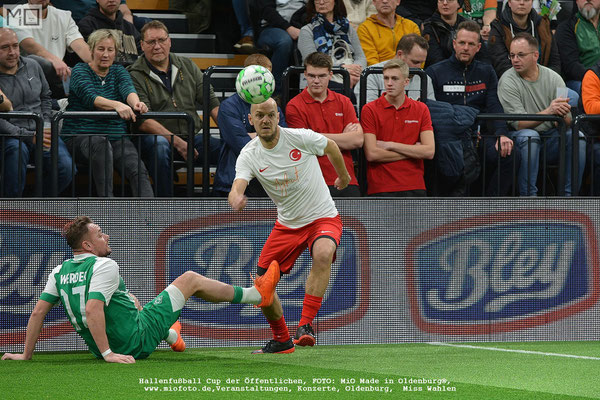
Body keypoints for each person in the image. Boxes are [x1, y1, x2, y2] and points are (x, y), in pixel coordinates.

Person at [0, 216, 280, 362]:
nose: (106, 236)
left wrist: (26, 355)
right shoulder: (104, 265)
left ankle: (170, 334)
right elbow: (92, 308)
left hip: (99, 348)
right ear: (87, 246)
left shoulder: (59, 271)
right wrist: (110, 355)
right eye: (99, 234)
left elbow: (37, 313)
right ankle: (256, 295)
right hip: (133, 343)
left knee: (128, 298)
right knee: (190, 279)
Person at [229, 97, 351, 353]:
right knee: (262, 287)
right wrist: (236, 197)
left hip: (322, 217)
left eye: (270, 114)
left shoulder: (299, 137)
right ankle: (282, 339)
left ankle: (305, 326)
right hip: (287, 226)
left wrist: (343, 175)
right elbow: (237, 185)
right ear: (250, 120)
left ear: (278, 116)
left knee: (323, 253)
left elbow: (330, 146)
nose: (265, 120)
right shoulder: (249, 154)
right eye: (259, 115)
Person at [128, 20, 221, 197]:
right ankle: (166, 203)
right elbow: (144, 121)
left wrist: (232, 133)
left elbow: (212, 102)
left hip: (191, 135)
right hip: (154, 138)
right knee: (160, 147)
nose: (157, 46)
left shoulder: (187, 65)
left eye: (162, 40)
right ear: (141, 45)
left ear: (169, 41)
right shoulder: (134, 74)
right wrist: (178, 143)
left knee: (227, 148)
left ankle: (220, 199)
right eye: (151, 42)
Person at [426, 20, 520, 196]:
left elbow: (493, 104)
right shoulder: (435, 72)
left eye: (471, 44)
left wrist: (502, 134)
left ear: (478, 47)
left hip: (479, 136)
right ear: (454, 44)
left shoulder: (486, 71)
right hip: (448, 138)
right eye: (462, 43)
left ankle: (490, 206)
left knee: (510, 153)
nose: (465, 48)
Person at [61, 29, 153, 197]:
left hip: (115, 137)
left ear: (115, 52)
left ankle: (149, 218)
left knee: (137, 169)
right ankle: (107, 208)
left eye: (110, 50)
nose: (105, 54)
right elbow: (91, 98)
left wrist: (136, 103)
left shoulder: (119, 71)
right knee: (100, 145)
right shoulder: (80, 71)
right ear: (91, 50)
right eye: (100, 49)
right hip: (80, 137)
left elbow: (128, 90)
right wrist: (117, 105)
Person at [498, 33, 585, 196]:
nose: (515, 60)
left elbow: (567, 122)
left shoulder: (554, 78)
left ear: (535, 55)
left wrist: (562, 116)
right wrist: (550, 112)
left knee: (577, 136)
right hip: (519, 139)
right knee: (530, 136)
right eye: (512, 55)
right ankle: (529, 197)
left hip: (550, 137)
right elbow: (518, 123)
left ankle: (570, 198)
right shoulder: (507, 80)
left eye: (521, 55)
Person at [0, 27, 73, 197]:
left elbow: (46, 98)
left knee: (65, 168)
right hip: (9, 136)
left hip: (41, 131)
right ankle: (10, 210)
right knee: (16, 153)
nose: (12, 52)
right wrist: (26, 135)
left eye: (15, 46)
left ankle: (37, 206)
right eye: (4, 48)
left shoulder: (33, 65)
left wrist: (45, 125)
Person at [286, 52, 363, 196]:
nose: (316, 81)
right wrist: (343, 137)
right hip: (311, 182)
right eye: (311, 76)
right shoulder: (294, 106)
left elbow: (357, 140)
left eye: (321, 76)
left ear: (330, 75)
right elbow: (302, 144)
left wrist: (313, 136)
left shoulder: (344, 101)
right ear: (305, 75)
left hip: (347, 181)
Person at [214, 53, 286, 197]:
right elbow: (242, 145)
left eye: (266, 78)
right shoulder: (228, 107)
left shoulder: (274, 107)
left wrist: (253, 135)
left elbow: (283, 141)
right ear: (245, 76)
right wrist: (266, 135)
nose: (263, 84)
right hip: (232, 182)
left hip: (269, 184)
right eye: (258, 79)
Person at [361, 59, 434, 196]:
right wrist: (414, 151)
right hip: (381, 187)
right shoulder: (369, 110)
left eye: (394, 79)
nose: (389, 83)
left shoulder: (421, 109)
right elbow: (372, 154)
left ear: (406, 82)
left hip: (415, 186)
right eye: (386, 78)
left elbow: (429, 151)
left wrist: (390, 145)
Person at [8, 0, 92, 99]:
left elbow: (80, 45)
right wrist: (55, 60)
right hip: (28, 77)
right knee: (38, 61)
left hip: (60, 75)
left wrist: (98, 65)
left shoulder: (64, 15)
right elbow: (30, 45)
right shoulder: (17, 13)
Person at [298, 0, 366, 90]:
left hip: (350, 76)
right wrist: (342, 70)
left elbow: (361, 57)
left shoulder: (348, 28)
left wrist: (355, 72)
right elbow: (313, 62)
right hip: (318, 79)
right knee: (346, 92)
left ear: (335, 2)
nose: (321, 2)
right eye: (317, 0)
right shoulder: (307, 31)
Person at [487, 0, 560, 78]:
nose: (522, 3)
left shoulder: (543, 24)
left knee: (569, 91)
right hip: (513, 82)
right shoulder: (498, 27)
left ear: (532, 3)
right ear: (509, 2)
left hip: (544, 80)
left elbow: (555, 62)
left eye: (526, 0)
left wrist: (543, 80)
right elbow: (502, 66)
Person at [252, 0, 306, 94]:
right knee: (284, 42)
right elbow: (267, 10)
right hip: (272, 27)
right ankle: (276, 92)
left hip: (300, 26)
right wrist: (288, 28)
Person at [364, 33, 436, 103]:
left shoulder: (424, 78)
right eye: (415, 62)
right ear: (400, 54)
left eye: (422, 63)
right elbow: (367, 112)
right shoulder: (372, 75)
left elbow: (431, 110)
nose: (419, 67)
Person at [77, 0, 141, 67]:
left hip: (133, 74)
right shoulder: (87, 25)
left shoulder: (129, 27)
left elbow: (142, 54)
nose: (111, 0)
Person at [555, 0, 600, 94]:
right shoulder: (566, 28)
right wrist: (594, 77)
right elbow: (571, 66)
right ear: (576, 1)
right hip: (580, 79)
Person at [357, 0, 421, 66]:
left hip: (410, 73)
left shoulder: (411, 26)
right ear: (374, 2)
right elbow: (371, 61)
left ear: (398, 1)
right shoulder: (365, 28)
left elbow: (419, 57)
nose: (385, 1)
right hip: (379, 73)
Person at [422, 0, 471, 67]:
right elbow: (434, 58)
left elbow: (482, 56)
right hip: (440, 72)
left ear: (459, 4)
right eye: (441, 0)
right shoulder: (429, 26)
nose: (445, 3)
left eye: (449, 0)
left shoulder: (469, 26)